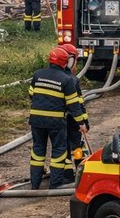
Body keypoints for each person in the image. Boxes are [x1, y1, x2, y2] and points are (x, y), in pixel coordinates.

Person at [29, 45, 89, 189]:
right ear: (66, 62)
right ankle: (56, 184)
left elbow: (32, 94)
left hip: (36, 120)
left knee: (38, 150)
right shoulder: (68, 80)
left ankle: (35, 183)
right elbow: (74, 105)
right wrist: (82, 122)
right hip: (56, 122)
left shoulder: (38, 74)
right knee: (59, 150)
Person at [59, 43, 86, 183]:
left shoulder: (54, 76)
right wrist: (83, 122)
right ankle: (80, 171)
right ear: (70, 60)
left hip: (59, 120)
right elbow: (78, 103)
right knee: (76, 146)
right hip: (73, 119)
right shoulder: (72, 80)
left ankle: (67, 174)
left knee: (63, 146)